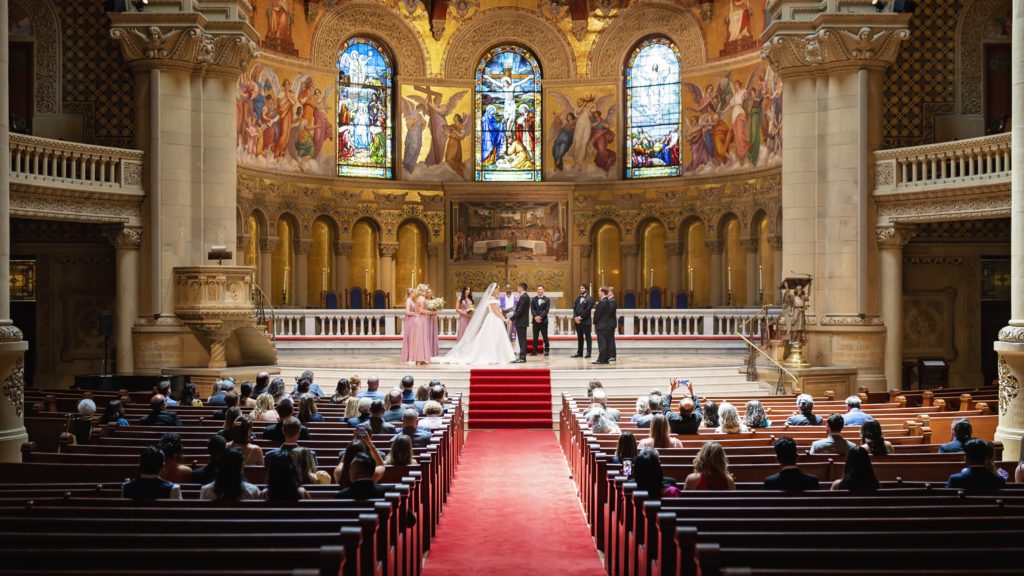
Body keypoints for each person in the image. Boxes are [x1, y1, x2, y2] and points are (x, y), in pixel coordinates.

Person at [434, 283, 518, 365]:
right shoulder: (492, 299)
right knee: (492, 338)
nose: (498, 290)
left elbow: (498, 311)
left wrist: (502, 317)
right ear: (494, 290)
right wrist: (504, 319)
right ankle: (493, 356)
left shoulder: (494, 298)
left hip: (495, 319)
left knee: (497, 337)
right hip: (493, 319)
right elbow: (495, 311)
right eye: (497, 289)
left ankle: (499, 356)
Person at [593, 286, 616, 365]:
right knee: (605, 342)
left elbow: (597, 314)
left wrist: (595, 322)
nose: (598, 293)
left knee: (602, 343)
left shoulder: (602, 302)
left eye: (599, 291)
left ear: (602, 292)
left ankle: (601, 359)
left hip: (601, 325)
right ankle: (606, 358)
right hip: (607, 325)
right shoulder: (608, 301)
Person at [572, 283, 594, 358]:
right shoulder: (577, 298)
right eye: (580, 288)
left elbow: (587, 310)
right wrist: (575, 317)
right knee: (579, 338)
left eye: (582, 288)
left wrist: (580, 318)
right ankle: (579, 352)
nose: (581, 289)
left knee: (588, 338)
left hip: (585, 321)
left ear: (586, 289)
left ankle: (588, 352)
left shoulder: (589, 298)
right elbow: (574, 309)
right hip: (577, 322)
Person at [530, 284, 551, 356]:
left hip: (543, 321)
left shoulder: (547, 299)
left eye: (540, 289)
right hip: (535, 321)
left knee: (545, 336)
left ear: (543, 290)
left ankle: (547, 350)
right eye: (538, 289)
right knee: (535, 337)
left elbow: (546, 310)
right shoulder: (533, 299)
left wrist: (540, 317)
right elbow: (532, 309)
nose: (539, 290)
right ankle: (534, 351)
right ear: (537, 291)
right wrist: (535, 317)